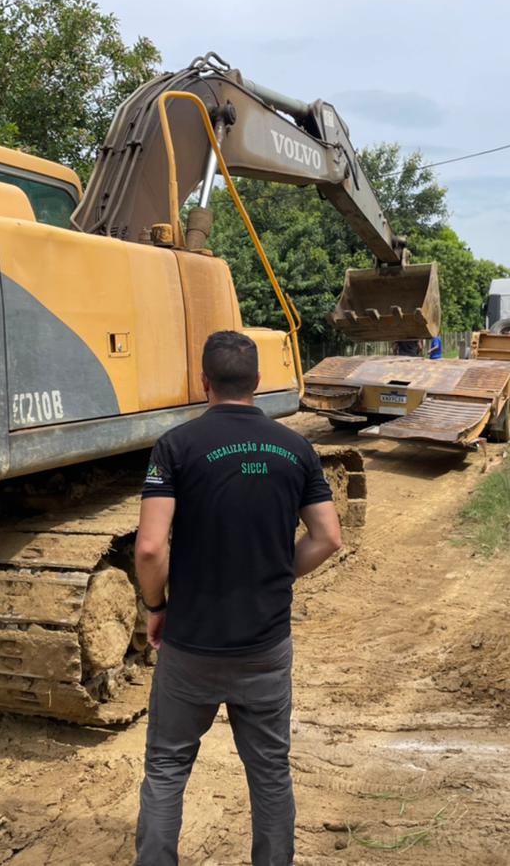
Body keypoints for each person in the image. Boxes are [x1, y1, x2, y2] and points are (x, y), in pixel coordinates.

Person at [133, 330, 344, 866]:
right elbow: (328, 538)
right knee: (270, 772)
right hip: (265, 645)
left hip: (190, 646)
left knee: (167, 768)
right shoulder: (296, 448)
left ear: (203, 381)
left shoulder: (175, 446)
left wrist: (156, 607)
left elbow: (151, 547)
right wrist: (276, 575)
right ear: (258, 381)